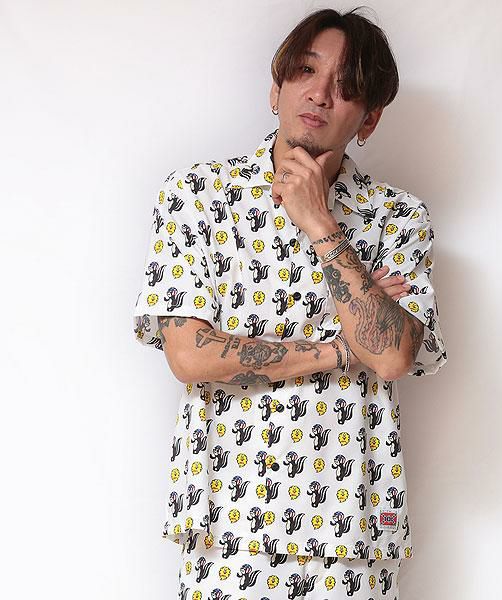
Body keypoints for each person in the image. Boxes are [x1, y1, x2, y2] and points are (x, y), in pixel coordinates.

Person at [133, 6, 447, 599]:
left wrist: (321, 223)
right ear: (276, 87)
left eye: (346, 85)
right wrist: (341, 349)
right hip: (228, 524)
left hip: (352, 525)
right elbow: (191, 356)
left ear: (370, 119)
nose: (321, 94)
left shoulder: (399, 217)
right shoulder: (196, 197)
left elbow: (391, 356)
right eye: (305, 70)